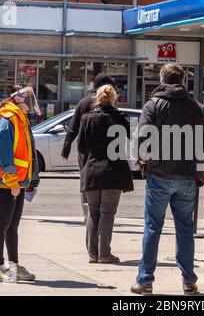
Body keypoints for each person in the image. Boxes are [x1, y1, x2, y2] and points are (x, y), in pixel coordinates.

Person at [131, 63, 204, 296]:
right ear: (182, 80)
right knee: (185, 230)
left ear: (162, 80)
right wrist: (199, 173)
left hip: (160, 175)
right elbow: (202, 144)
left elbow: (144, 140)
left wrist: (144, 162)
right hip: (186, 176)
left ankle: (145, 281)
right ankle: (189, 282)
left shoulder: (153, 105)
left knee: (153, 227)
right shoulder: (196, 107)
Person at [0, 86, 40, 283]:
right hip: (6, 182)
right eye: (26, 98)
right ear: (17, 99)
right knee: (3, 223)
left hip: (18, 181)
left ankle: (14, 266)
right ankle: (0, 268)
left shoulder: (20, 118)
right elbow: (3, 153)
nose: (30, 102)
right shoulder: (8, 119)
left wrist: (27, 181)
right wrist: (12, 181)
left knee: (13, 226)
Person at [78, 84, 134, 264]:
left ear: (97, 98)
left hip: (92, 171)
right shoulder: (120, 118)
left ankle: (92, 254)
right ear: (113, 98)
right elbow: (129, 142)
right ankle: (104, 254)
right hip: (113, 171)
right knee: (108, 213)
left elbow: (81, 147)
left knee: (93, 212)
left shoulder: (86, 118)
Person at [61, 73, 116, 225]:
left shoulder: (84, 102)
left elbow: (73, 127)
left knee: (86, 179)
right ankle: (99, 210)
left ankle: (89, 209)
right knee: (104, 179)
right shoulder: (109, 102)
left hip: (85, 149)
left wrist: (66, 148)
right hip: (105, 149)